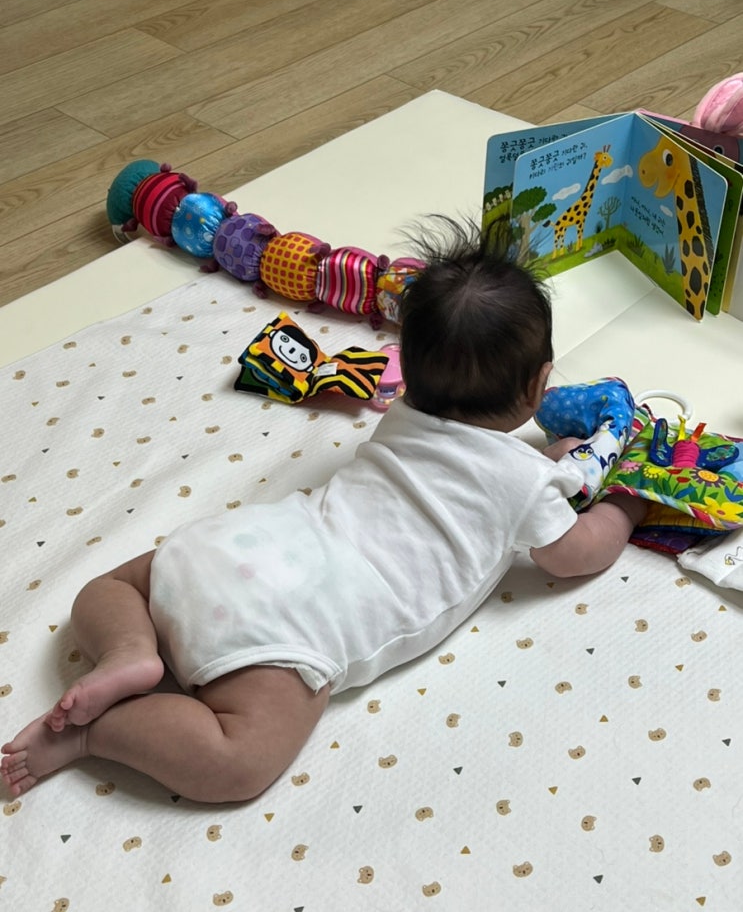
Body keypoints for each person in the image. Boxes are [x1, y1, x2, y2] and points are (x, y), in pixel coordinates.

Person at [1, 217, 647, 805]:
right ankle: (95, 734)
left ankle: (128, 650)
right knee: (236, 762)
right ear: (539, 384)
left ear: (409, 368)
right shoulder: (527, 487)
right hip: (294, 624)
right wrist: (626, 499)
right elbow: (574, 552)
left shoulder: (405, 414)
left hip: (235, 547)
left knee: (112, 586)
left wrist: (550, 467)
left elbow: (478, 466)